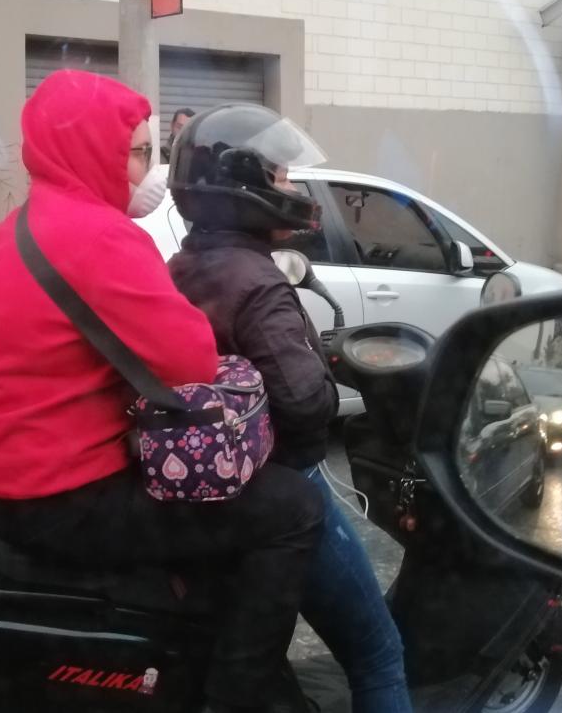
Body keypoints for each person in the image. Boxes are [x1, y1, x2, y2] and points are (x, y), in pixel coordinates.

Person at [0, 71, 324, 713]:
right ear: (88, 150)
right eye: (137, 152)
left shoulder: (13, 230)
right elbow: (191, 359)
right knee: (293, 508)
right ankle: (241, 692)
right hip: (59, 495)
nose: (149, 171)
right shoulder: (101, 234)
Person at [166, 103, 413, 713]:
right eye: (280, 175)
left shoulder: (183, 265)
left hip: (218, 494)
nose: (292, 188)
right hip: (289, 487)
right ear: (244, 188)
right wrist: (329, 381)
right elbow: (304, 403)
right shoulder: (257, 282)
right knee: (379, 653)